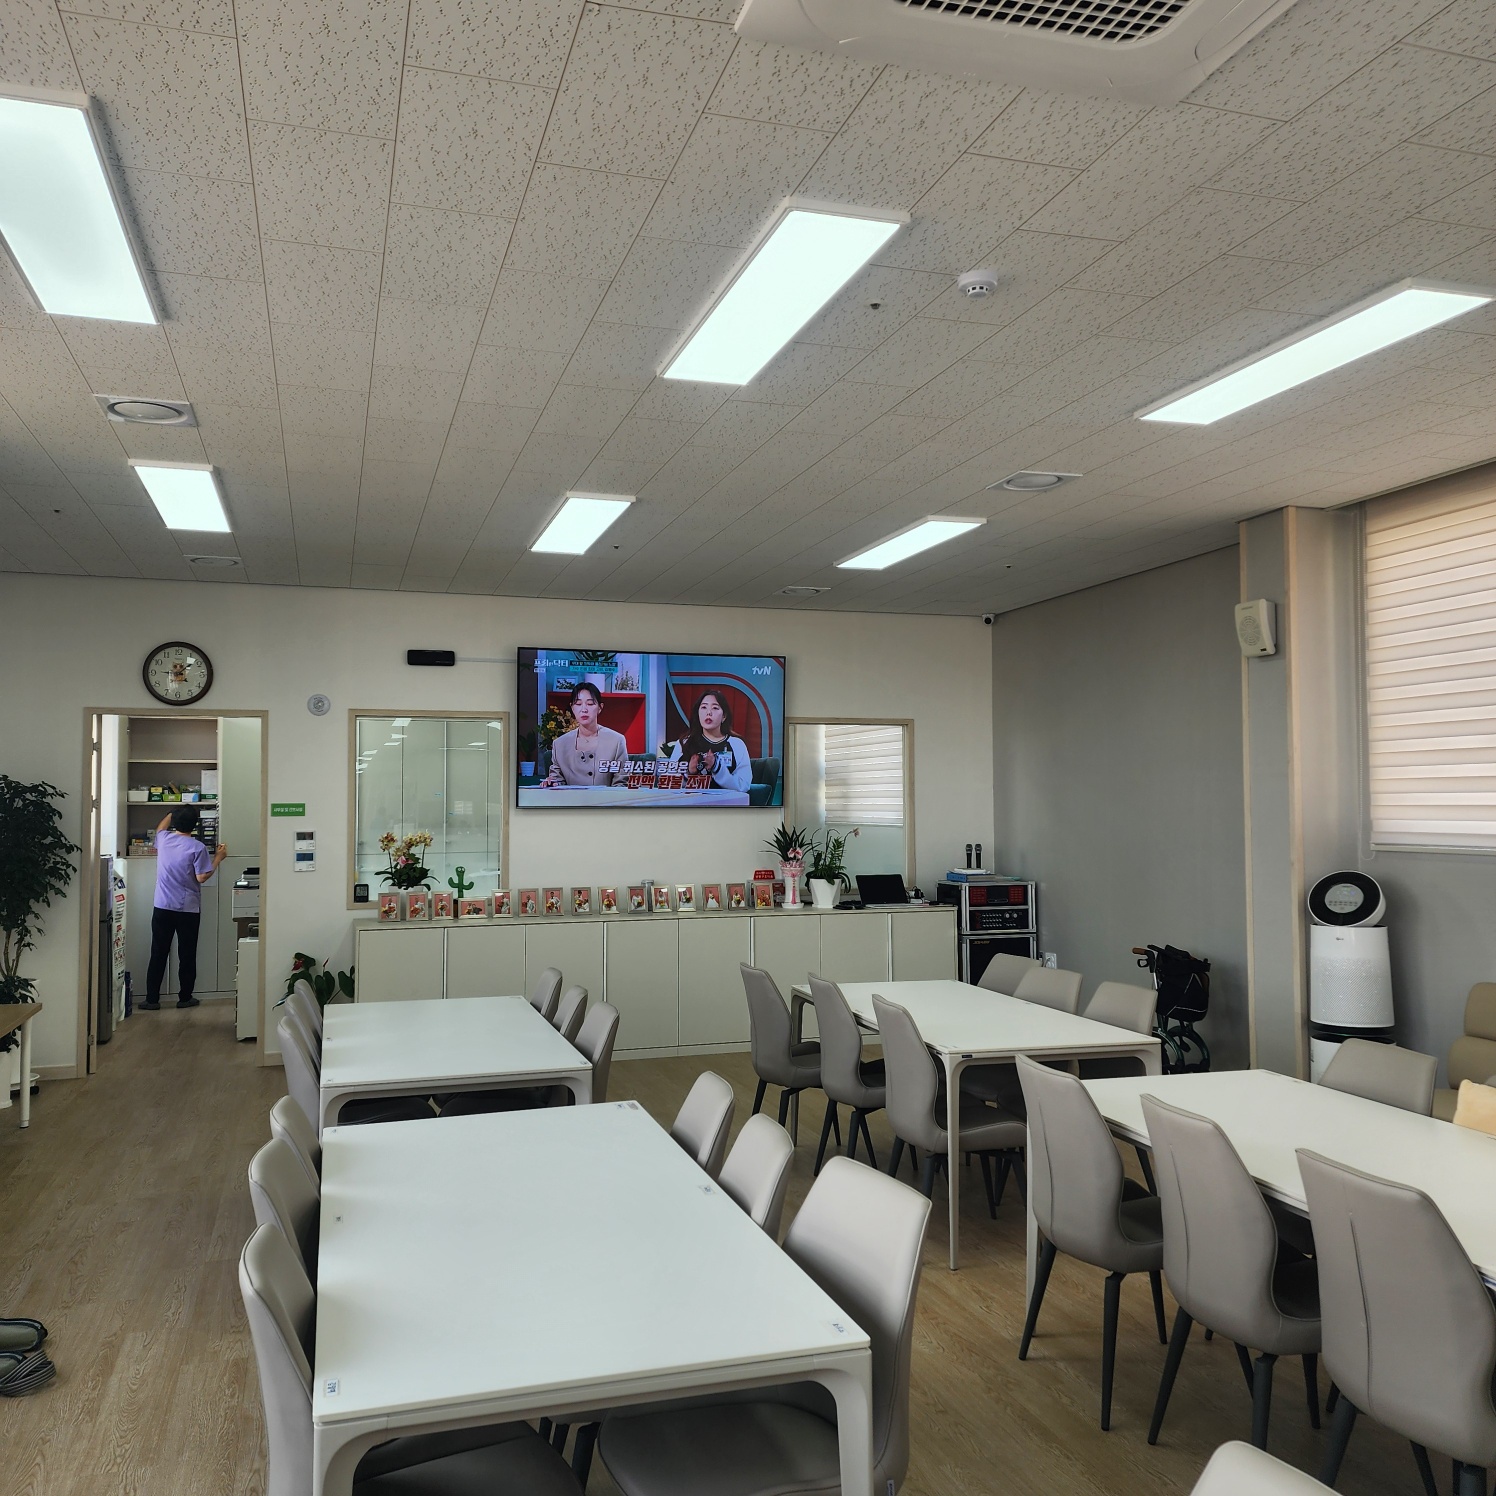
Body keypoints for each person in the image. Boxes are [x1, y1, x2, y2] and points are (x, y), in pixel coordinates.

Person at [139, 806, 227, 1011]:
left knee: (158, 952)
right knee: (187, 954)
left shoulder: (164, 839)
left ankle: (152, 999)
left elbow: (160, 827)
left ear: (175, 822)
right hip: (187, 909)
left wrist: (173, 812)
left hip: (162, 906)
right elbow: (201, 877)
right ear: (195, 825)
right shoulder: (197, 847)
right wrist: (218, 858)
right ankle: (185, 998)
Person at [540, 683, 631, 788]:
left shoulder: (616, 741)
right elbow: (557, 781)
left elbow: (621, 784)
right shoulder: (560, 744)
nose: (584, 709)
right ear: (572, 708)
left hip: (605, 798)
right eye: (578, 704)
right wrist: (552, 783)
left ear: (600, 708)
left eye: (590, 704)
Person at [667, 689, 752, 792]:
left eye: (715, 708)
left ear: (724, 716)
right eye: (704, 707)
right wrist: (688, 773)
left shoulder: (737, 744)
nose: (708, 713)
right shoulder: (684, 743)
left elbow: (743, 785)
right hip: (691, 800)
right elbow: (668, 782)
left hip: (725, 801)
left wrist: (717, 768)